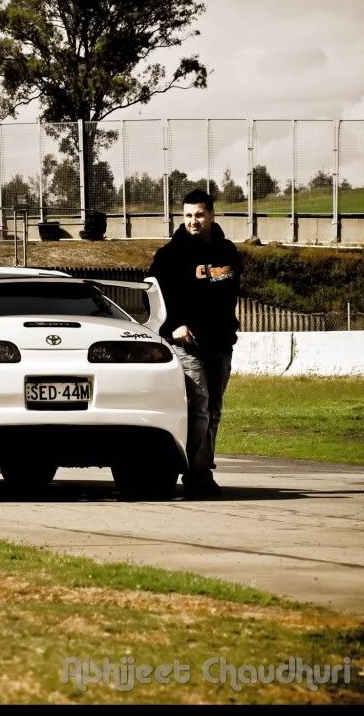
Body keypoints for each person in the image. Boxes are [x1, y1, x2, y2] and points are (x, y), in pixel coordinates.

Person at [149, 189, 243, 498]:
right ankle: (195, 473)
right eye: (188, 215)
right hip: (186, 345)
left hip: (220, 343)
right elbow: (155, 299)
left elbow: (228, 287)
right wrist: (174, 324)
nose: (194, 221)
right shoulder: (168, 256)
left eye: (200, 214)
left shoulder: (227, 251)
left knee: (213, 409)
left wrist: (204, 283)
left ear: (212, 215)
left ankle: (201, 471)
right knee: (199, 406)